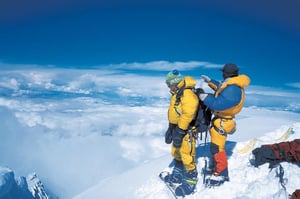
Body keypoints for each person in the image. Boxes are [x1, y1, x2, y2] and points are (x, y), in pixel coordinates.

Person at [199, 63, 250, 186]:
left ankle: (221, 174)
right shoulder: (232, 84)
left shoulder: (233, 88)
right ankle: (217, 166)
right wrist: (210, 81)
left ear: (225, 73)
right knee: (216, 146)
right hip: (222, 120)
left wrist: (204, 97)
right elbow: (221, 88)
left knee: (217, 148)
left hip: (223, 121)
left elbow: (219, 104)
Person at [164, 69, 199, 196]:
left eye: (168, 84)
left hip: (187, 130)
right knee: (176, 151)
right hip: (176, 128)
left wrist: (180, 131)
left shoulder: (188, 94)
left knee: (187, 153)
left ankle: (191, 178)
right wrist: (170, 128)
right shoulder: (176, 93)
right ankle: (178, 171)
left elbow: (188, 114)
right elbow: (174, 113)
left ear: (175, 82)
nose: (168, 86)